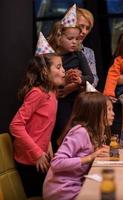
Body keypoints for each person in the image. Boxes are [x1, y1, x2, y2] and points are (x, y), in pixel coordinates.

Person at [9, 33, 65, 198]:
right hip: (29, 160)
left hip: (41, 156)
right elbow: (16, 125)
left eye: (62, 66)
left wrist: (47, 144)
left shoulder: (53, 93)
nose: (63, 70)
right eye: (58, 67)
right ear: (44, 71)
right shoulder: (37, 93)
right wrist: (37, 153)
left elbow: (42, 125)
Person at [43, 92, 114, 200]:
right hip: (62, 190)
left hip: (75, 185)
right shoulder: (81, 132)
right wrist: (90, 157)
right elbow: (56, 163)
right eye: (109, 110)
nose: (113, 114)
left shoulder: (93, 133)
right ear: (95, 112)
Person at [48, 4, 94, 151]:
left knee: (72, 133)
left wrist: (78, 81)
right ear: (59, 37)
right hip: (53, 100)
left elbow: (90, 78)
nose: (75, 41)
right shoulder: (51, 56)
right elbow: (43, 79)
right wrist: (63, 81)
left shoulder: (79, 55)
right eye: (70, 38)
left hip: (73, 101)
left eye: (76, 38)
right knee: (57, 132)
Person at [77, 7, 99, 87]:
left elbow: (94, 80)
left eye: (87, 28)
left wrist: (77, 84)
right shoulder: (56, 50)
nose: (84, 31)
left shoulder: (88, 52)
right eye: (81, 26)